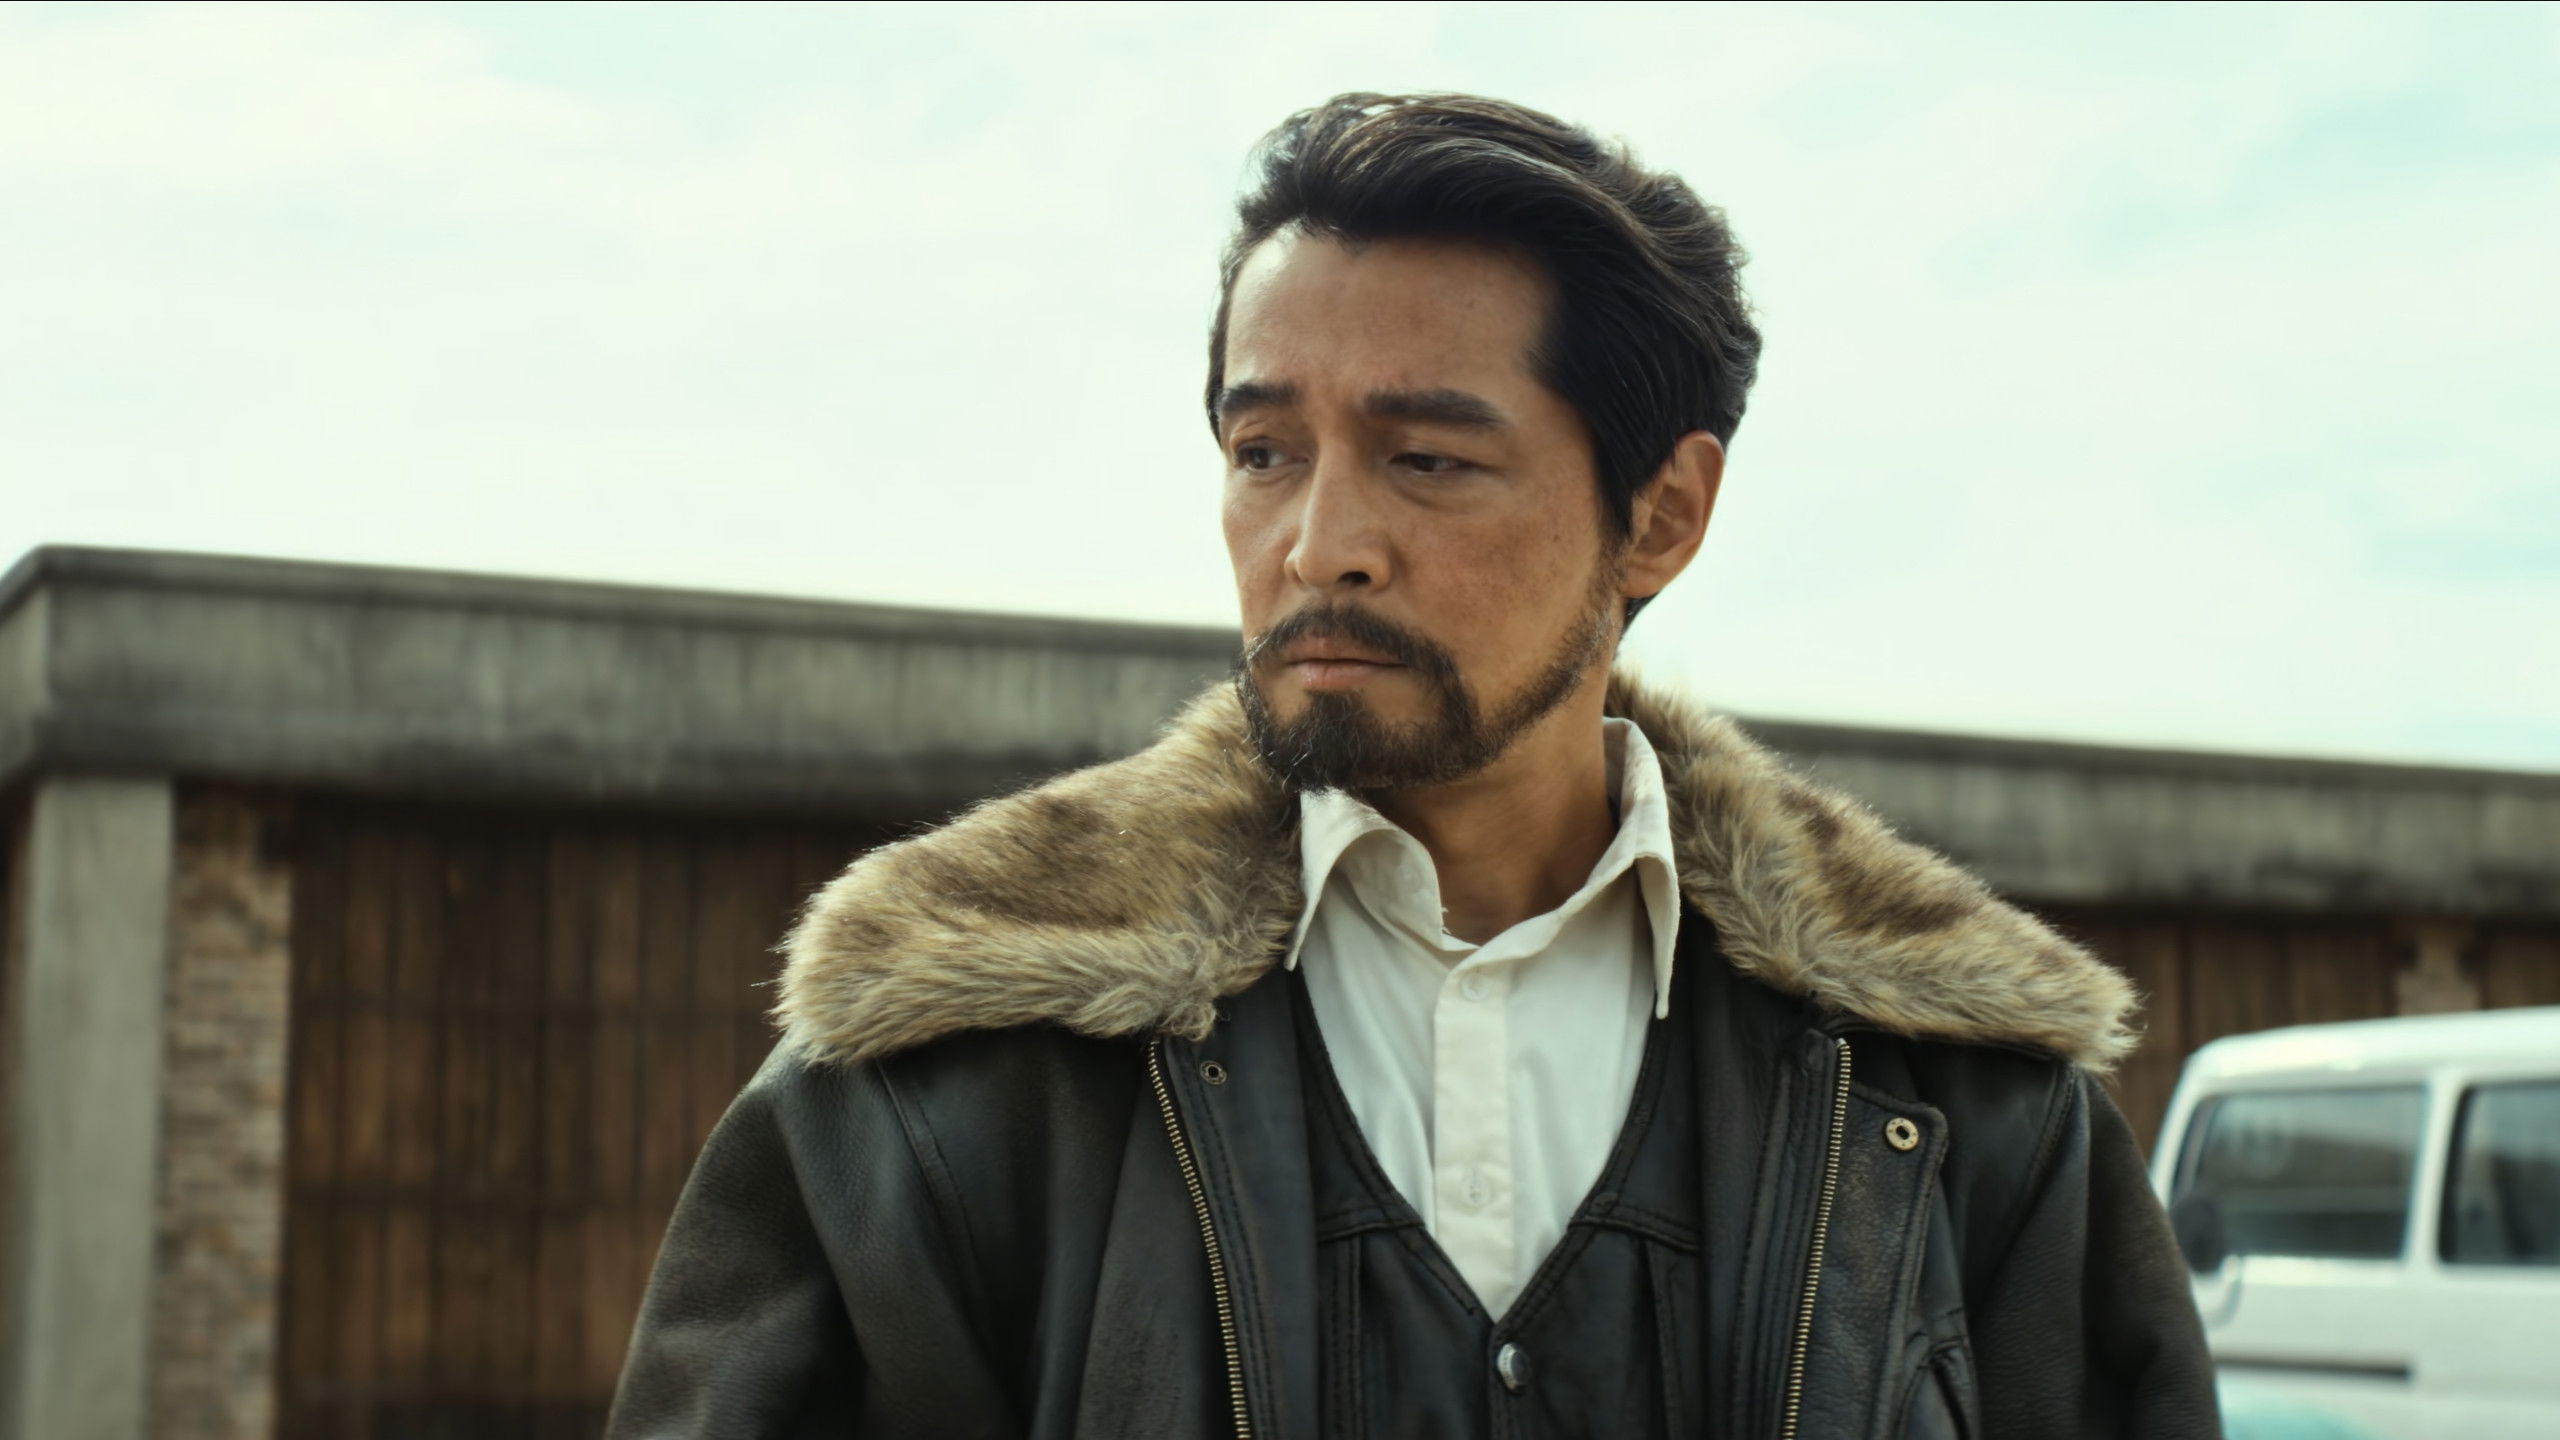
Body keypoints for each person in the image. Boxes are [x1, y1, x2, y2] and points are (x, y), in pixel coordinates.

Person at [606, 92, 2219, 1439]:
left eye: (1427, 458)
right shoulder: (945, 1071)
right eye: (1263, 452)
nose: (1320, 544)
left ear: (1662, 515)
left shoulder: (1960, 1097)